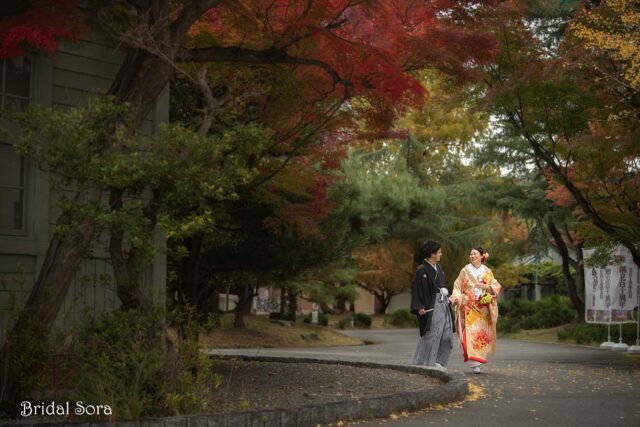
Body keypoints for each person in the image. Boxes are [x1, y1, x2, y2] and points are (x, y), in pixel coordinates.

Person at [450, 246, 501, 374]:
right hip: (469, 307)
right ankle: (475, 364)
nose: (472, 256)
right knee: (469, 335)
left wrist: (486, 287)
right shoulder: (465, 270)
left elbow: (496, 286)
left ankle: (477, 362)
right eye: (471, 254)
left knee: (480, 336)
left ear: (482, 256)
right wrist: (456, 297)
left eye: (475, 254)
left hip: (483, 308)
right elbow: (457, 286)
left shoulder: (488, 271)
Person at [410, 240, 453, 369]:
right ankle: (420, 363)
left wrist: (450, 297)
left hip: (443, 304)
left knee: (447, 335)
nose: (441, 254)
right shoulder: (421, 271)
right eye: (439, 252)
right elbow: (417, 290)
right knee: (431, 335)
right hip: (431, 306)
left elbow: (442, 287)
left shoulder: (439, 268)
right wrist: (419, 307)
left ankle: (439, 361)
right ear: (432, 254)